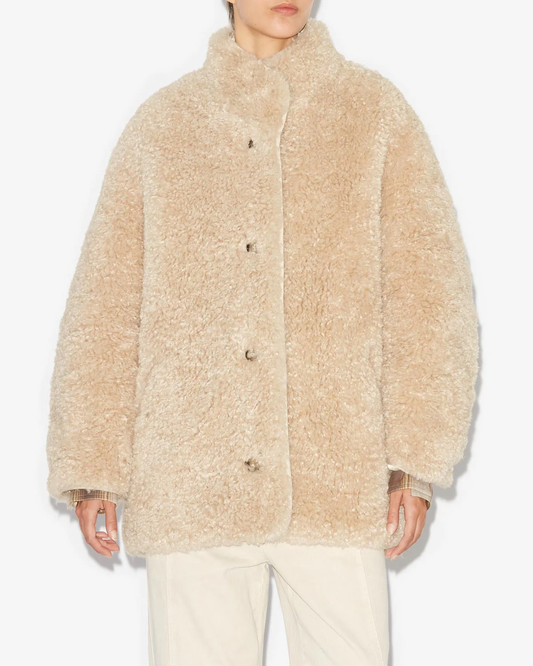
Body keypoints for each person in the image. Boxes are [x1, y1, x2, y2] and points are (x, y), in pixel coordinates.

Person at [45, 2, 479, 664]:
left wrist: (415, 462)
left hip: (337, 475)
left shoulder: (373, 114)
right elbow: (105, 306)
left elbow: (429, 297)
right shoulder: (163, 126)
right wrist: (93, 466)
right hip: (192, 479)